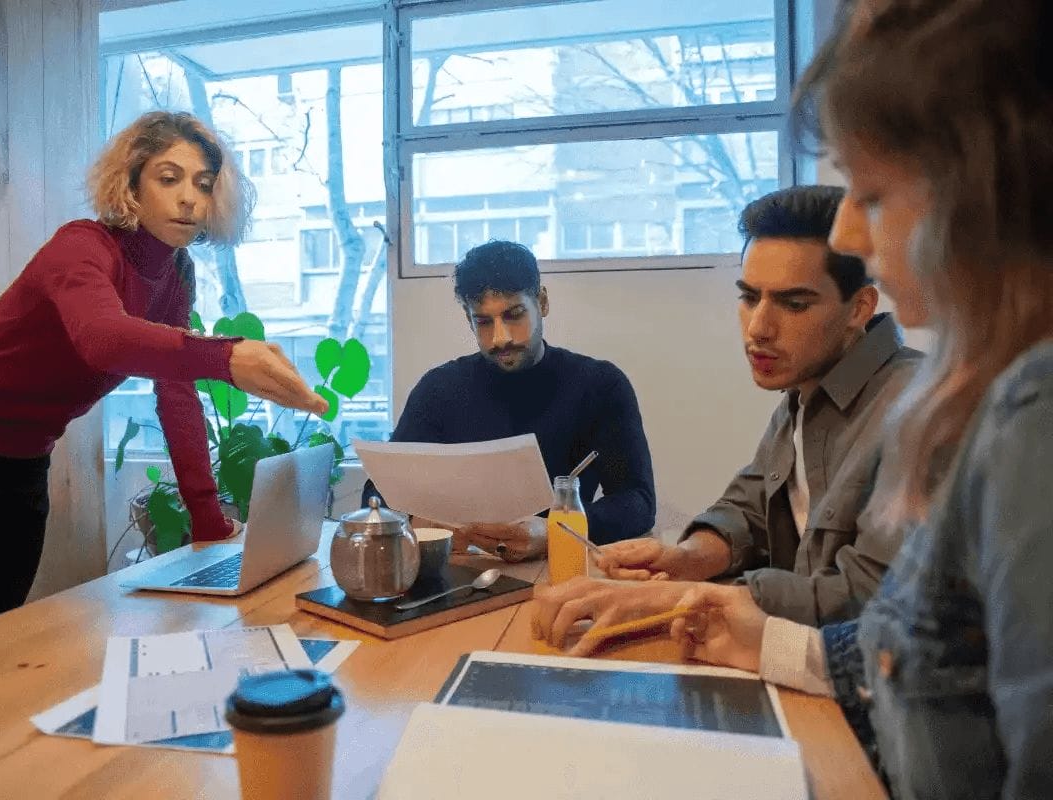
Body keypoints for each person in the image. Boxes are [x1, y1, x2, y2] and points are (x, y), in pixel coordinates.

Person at [541, 1, 1053, 796]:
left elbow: (869, 602)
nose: (852, 234)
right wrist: (698, 568)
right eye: (748, 297)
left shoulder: (1007, 412)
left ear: (982, 192)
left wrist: (698, 593)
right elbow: (763, 513)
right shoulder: (826, 398)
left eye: (871, 193)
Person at [0, 111, 328, 652]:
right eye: (169, 178)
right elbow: (103, 338)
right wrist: (226, 356)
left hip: (22, 468)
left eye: (204, 184)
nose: (189, 198)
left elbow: (176, 391)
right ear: (132, 184)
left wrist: (208, 520)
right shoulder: (82, 245)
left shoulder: (177, 274)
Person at [535, 185, 922, 626]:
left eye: (794, 304)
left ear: (859, 308)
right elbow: (749, 509)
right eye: (750, 297)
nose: (758, 328)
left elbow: (869, 599)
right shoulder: (804, 393)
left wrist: (671, 598)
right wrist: (685, 557)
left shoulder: (917, 412)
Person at [362, 239, 656, 560]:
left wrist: (554, 533)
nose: (500, 338)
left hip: (557, 565)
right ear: (469, 320)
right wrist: (416, 522)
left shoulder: (599, 385)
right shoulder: (439, 389)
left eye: (514, 315)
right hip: (463, 568)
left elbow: (637, 501)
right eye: (483, 322)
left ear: (542, 302)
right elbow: (379, 494)